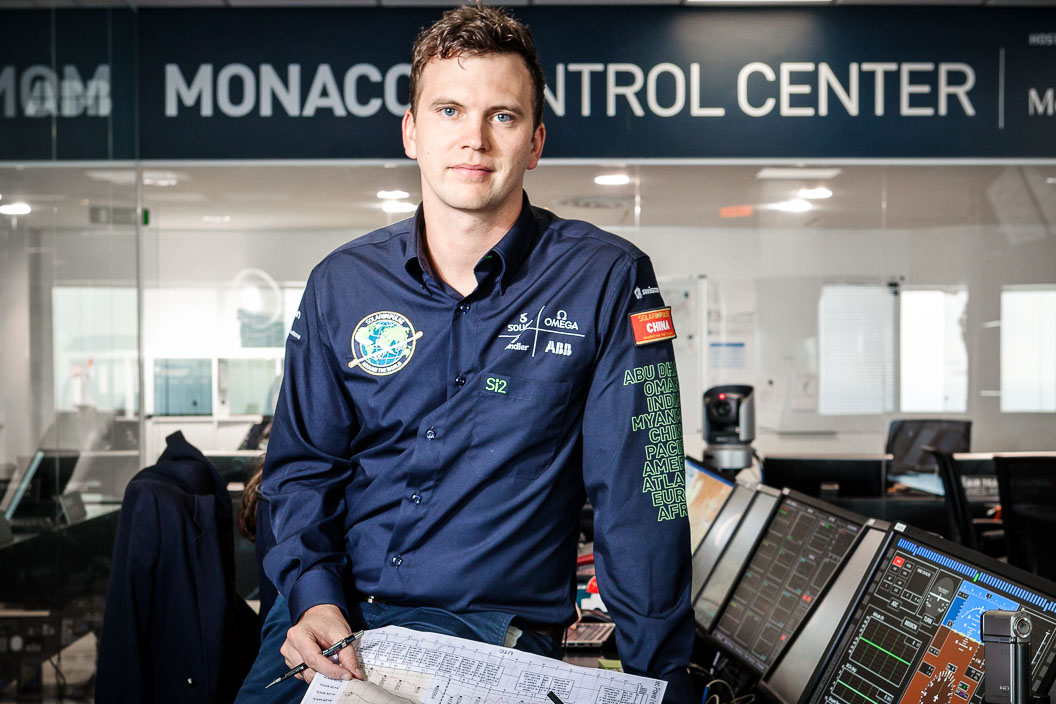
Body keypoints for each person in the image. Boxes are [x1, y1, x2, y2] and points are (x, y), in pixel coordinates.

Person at [236, 4, 694, 702]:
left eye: (502, 116)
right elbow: (301, 472)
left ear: (535, 141)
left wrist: (663, 680)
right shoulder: (341, 283)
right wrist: (310, 594)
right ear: (412, 132)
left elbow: (646, 494)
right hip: (327, 623)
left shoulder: (611, 279)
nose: (474, 138)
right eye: (449, 110)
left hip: (486, 632)